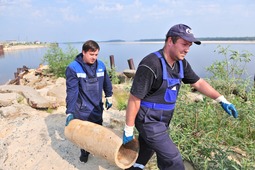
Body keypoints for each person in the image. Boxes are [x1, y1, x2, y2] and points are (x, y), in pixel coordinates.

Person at [123, 24, 238, 170]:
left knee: (148, 148)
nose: (187, 50)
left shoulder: (181, 63)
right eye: (184, 44)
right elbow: (134, 98)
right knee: (172, 159)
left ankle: (136, 166)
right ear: (170, 41)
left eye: (189, 45)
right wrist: (128, 128)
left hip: (164, 119)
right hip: (148, 119)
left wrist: (221, 99)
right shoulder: (151, 64)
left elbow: (198, 82)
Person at [65, 40, 113, 163]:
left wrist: (109, 95)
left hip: (97, 106)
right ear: (83, 52)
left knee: (98, 130)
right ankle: (84, 152)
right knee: (84, 135)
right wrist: (70, 111)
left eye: (96, 54)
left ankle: (97, 149)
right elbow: (72, 91)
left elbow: (106, 82)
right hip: (82, 109)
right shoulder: (73, 68)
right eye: (91, 54)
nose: (94, 57)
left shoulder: (101, 65)